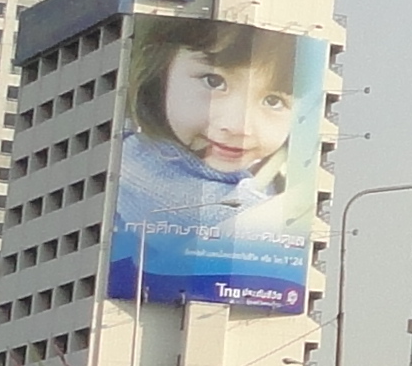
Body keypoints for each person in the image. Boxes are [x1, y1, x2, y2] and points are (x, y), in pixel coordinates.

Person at [107, 20, 314, 309]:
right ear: (160, 73)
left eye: (273, 100)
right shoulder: (140, 164)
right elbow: (237, 223)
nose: (238, 126)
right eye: (214, 82)